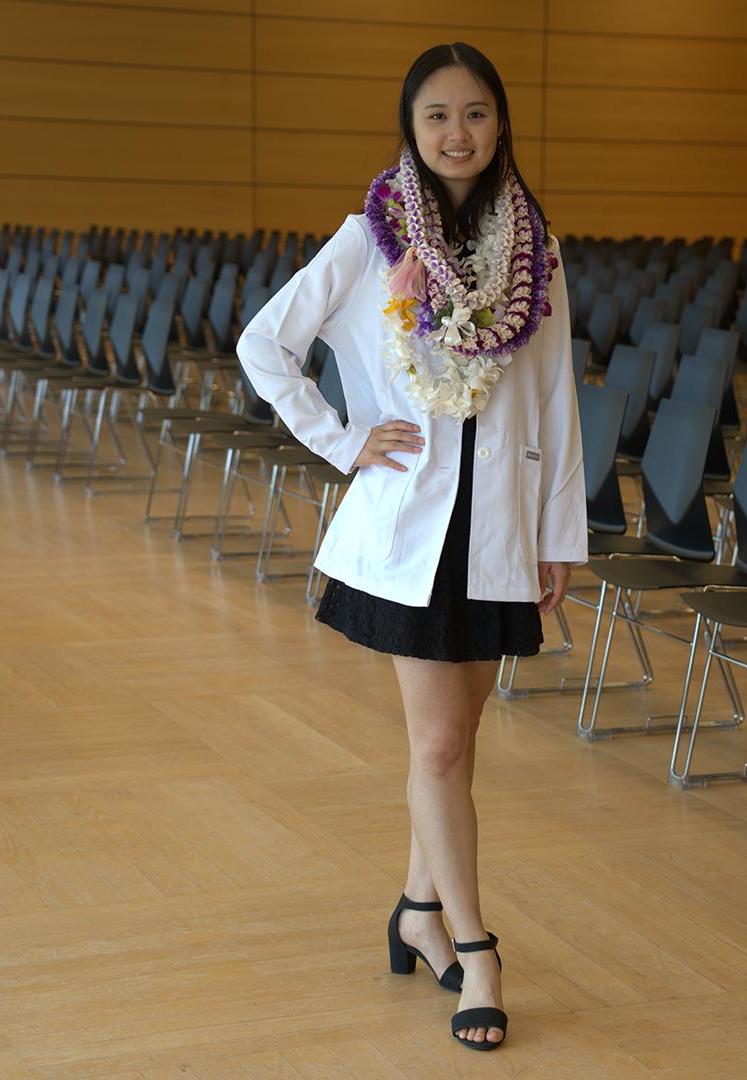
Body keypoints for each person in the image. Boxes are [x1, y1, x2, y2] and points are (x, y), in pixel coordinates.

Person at [236, 42, 586, 1052]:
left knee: (459, 742)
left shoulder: (536, 249)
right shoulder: (369, 233)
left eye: (476, 114)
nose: (458, 134)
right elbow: (268, 344)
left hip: (502, 532)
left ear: (500, 124)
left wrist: (561, 532)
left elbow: (556, 396)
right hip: (407, 529)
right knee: (437, 743)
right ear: (411, 128)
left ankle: (417, 912)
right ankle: (478, 949)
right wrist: (345, 441)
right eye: (437, 116)